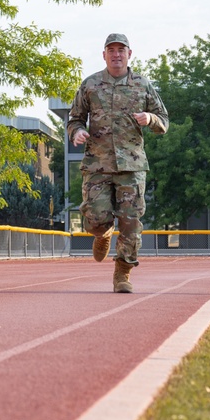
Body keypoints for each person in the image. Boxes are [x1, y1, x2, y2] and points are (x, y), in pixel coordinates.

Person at [66, 33, 168, 293]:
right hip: (97, 165)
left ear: (129, 54)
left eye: (121, 50)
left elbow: (163, 121)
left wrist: (150, 118)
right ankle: (102, 233)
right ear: (104, 55)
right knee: (96, 219)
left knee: (131, 223)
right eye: (111, 50)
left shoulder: (142, 85)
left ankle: (122, 273)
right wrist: (76, 131)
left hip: (131, 166)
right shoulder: (90, 84)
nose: (116, 54)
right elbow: (74, 118)